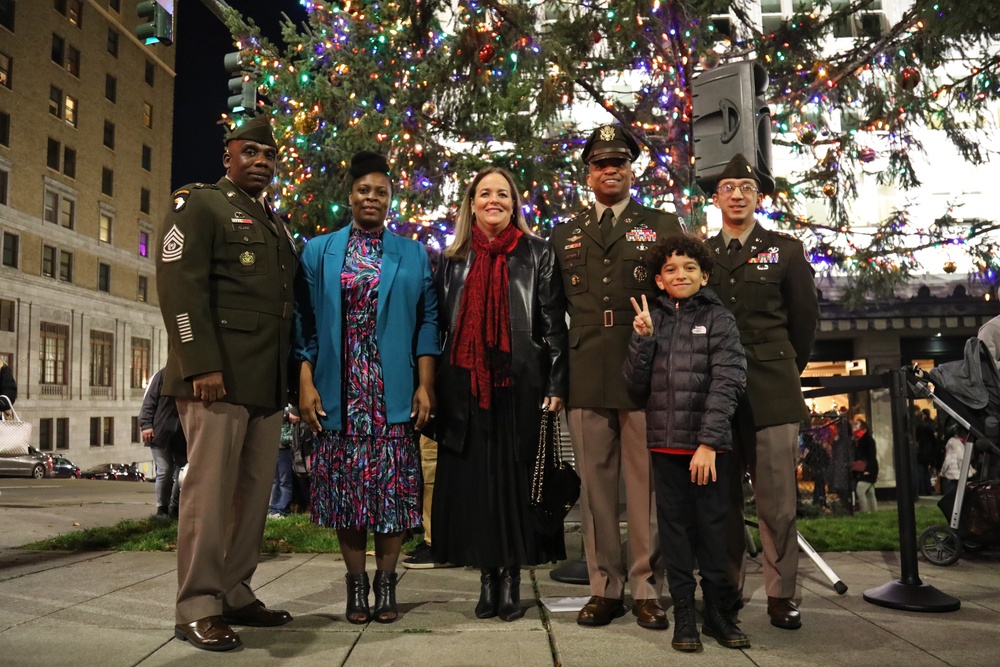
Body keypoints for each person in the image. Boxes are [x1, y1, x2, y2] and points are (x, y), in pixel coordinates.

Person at [156, 114, 298, 651]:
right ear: (228, 156)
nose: (260, 161)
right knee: (208, 495)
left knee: (253, 496)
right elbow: (179, 286)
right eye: (250, 151)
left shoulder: (273, 222)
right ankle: (196, 605)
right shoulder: (200, 204)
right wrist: (200, 365)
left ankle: (235, 591)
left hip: (264, 382)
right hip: (217, 379)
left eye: (268, 154)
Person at [293, 150, 439, 625]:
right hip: (339, 393)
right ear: (350, 195)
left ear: (390, 199)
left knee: (393, 497)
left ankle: (386, 586)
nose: (371, 198)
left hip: (392, 394)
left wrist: (425, 385)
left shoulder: (413, 254)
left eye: (381, 191)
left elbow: (427, 323)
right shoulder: (319, 251)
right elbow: (304, 323)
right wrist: (306, 381)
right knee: (347, 496)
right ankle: (356, 590)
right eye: (363, 190)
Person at [549, 124, 683, 629]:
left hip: (643, 369)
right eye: (601, 163)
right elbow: (553, 318)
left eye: (619, 162)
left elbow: (677, 297)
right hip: (586, 370)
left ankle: (647, 587)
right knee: (595, 488)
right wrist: (556, 384)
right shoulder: (564, 235)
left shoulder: (662, 224)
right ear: (588, 173)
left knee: (645, 485)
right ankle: (604, 587)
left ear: (632, 170)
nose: (611, 170)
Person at [432, 166, 568, 622]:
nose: (494, 201)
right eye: (485, 193)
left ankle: (510, 578)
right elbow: (437, 327)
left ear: (515, 204)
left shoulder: (537, 253)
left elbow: (552, 324)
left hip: (519, 385)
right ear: (471, 203)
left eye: (503, 194)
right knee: (477, 488)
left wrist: (555, 382)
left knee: (513, 486)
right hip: (465, 387)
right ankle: (487, 578)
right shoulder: (452, 259)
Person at [707, 153, 819, 630]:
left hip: (772, 390)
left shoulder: (787, 250)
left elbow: (804, 325)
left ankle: (780, 594)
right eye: (728, 187)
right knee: (723, 501)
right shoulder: (701, 255)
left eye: (746, 188)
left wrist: (781, 367)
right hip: (717, 394)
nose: (737, 194)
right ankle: (728, 587)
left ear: (758, 197)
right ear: (716, 198)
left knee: (777, 502)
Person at [622, 235, 749, 651]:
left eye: (690, 268)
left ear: (705, 275)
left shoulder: (719, 318)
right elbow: (635, 385)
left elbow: (728, 381)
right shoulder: (651, 319)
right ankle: (685, 615)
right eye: (672, 269)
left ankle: (718, 612)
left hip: (709, 451)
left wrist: (709, 443)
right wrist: (642, 340)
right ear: (659, 280)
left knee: (714, 532)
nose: (681, 274)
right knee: (675, 534)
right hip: (665, 447)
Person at [139, 368, 187, 521]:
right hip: (161, 433)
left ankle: (175, 508)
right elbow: (149, 401)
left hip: (183, 436)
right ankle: (162, 508)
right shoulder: (163, 375)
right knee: (165, 471)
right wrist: (146, 425)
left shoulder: (193, 375)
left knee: (182, 473)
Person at [268, 406, 298, 518]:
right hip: (272, 446)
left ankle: (283, 510)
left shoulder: (289, 407)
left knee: (284, 480)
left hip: (285, 446)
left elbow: (293, 416)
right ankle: (273, 509)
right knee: (275, 480)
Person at [852, 419, 879, 513]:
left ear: (863, 427)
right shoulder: (857, 439)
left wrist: (868, 469)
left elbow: (872, 456)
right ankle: (874, 512)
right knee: (870, 492)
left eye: (856, 424)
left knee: (860, 490)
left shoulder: (868, 440)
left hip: (868, 469)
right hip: (864, 468)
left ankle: (865, 512)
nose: (854, 426)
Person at [940, 425, 970, 497]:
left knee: (951, 489)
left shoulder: (951, 445)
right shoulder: (964, 444)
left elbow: (947, 460)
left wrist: (943, 471)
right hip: (962, 471)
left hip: (952, 472)